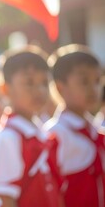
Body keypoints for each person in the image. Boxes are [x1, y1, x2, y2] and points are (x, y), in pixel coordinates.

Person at [0, 45, 62, 207]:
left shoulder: (40, 132)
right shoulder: (8, 138)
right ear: (6, 89)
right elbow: (6, 199)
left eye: (44, 83)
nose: (40, 90)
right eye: (29, 83)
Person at [44, 44, 104, 207]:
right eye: (84, 81)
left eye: (97, 81)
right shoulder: (55, 135)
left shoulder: (97, 132)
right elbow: (51, 192)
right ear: (60, 87)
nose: (93, 89)